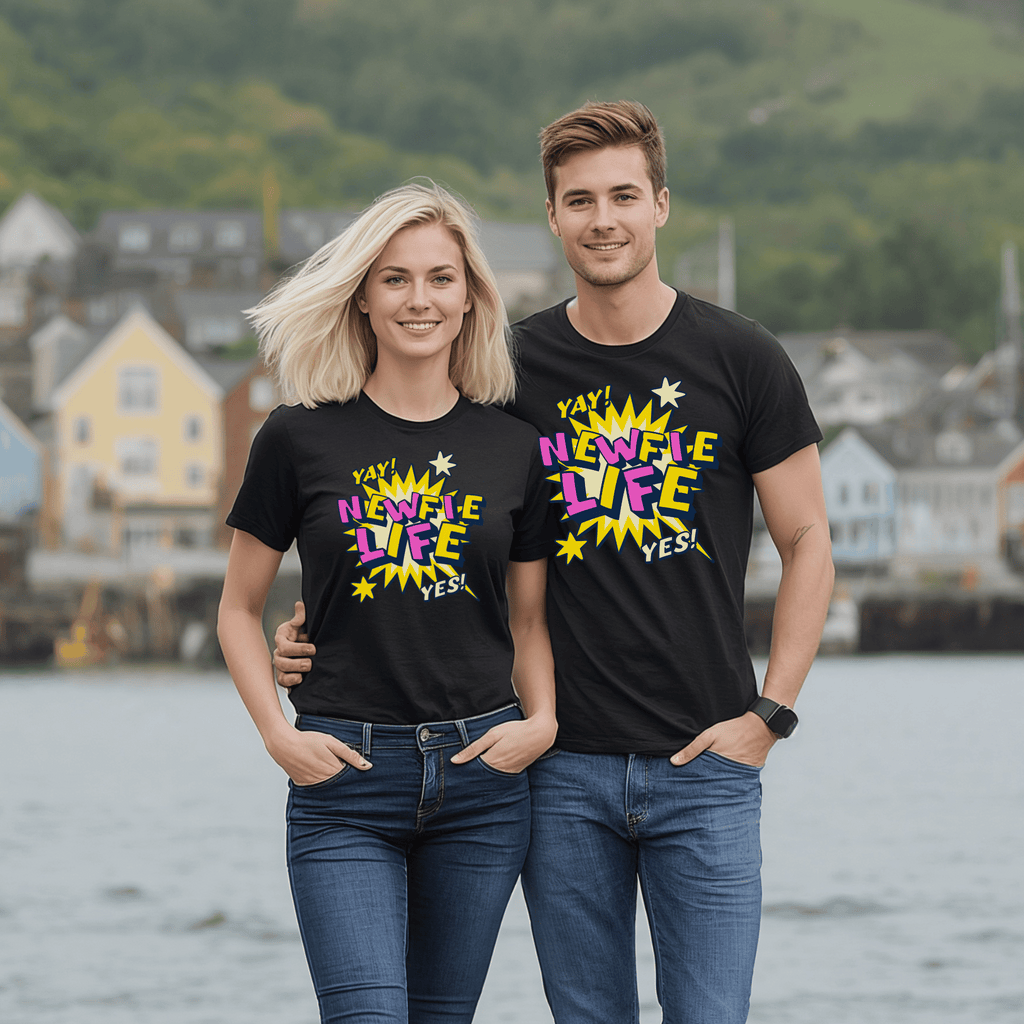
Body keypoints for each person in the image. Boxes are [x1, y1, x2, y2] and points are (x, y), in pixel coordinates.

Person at [273, 102, 835, 1024]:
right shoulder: (505, 368)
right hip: (555, 768)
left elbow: (808, 539)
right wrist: (313, 637)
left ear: (661, 205)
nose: (602, 218)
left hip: (708, 765)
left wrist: (771, 713)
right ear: (551, 216)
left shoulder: (743, 358)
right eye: (579, 200)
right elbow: (409, 497)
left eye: (622, 195)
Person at [217, 182, 558, 1024]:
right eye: (396, 279)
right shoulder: (296, 436)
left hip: (483, 779)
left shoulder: (513, 446)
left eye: (442, 279)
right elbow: (236, 610)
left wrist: (542, 721)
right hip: (344, 782)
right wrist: (276, 735)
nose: (420, 300)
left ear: (472, 296)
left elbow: (527, 620)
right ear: (363, 296)